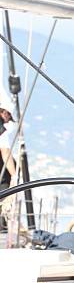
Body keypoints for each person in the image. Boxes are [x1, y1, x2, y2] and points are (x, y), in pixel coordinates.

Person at [0, 98, 17, 232]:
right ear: (4, 112)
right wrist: (14, 175)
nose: (7, 121)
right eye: (8, 117)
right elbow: (5, 151)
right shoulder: (1, 131)